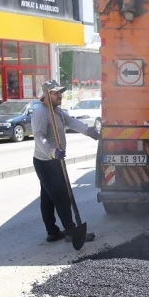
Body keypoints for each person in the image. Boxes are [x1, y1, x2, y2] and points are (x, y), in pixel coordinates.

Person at [32, 80, 101, 242]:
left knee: (48, 198)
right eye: (56, 93)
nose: (60, 95)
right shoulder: (41, 113)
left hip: (53, 160)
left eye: (60, 92)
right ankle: (71, 232)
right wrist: (52, 152)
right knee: (61, 196)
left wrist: (88, 131)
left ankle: (53, 232)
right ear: (47, 95)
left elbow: (71, 122)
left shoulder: (57, 111)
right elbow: (39, 137)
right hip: (46, 162)